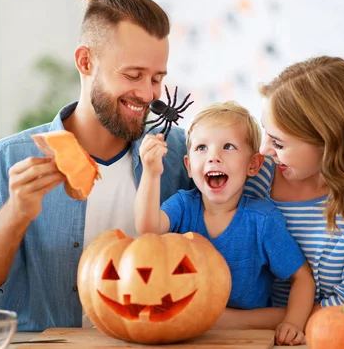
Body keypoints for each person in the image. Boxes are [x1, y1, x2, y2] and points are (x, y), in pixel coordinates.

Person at [0, 0, 344, 332]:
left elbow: (269, 149)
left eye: (158, 78)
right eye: (133, 74)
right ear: (85, 62)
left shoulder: (180, 155)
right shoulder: (10, 161)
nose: (148, 95)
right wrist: (16, 214)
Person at [217, 56, 344, 330]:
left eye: (279, 143)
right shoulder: (259, 177)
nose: (263, 150)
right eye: (265, 132)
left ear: (328, 144)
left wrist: (231, 321)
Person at [135, 101, 315, 345]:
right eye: (201, 148)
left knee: (291, 316)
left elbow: (302, 278)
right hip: (185, 333)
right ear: (188, 167)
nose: (213, 158)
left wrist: (292, 323)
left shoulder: (263, 220)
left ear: (253, 164)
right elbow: (148, 230)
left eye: (228, 147)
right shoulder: (182, 205)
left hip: (246, 336)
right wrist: (151, 172)